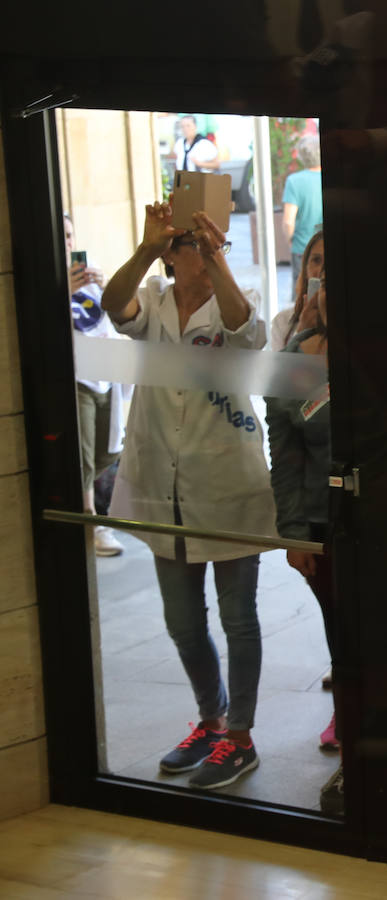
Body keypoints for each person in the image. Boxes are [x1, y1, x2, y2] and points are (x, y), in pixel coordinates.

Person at [103, 198, 276, 791]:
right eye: (182, 243)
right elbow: (111, 305)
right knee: (181, 621)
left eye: (198, 244)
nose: (190, 251)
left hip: (229, 484)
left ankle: (242, 738)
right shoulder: (150, 302)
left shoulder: (234, 295)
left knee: (238, 618)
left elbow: (246, 333)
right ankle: (211, 718)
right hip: (161, 482)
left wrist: (218, 258)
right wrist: (147, 247)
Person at [265, 266, 343, 808]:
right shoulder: (297, 358)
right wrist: (295, 534)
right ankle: (355, 757)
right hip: (323, 521)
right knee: (347, 640)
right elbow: (286, 454)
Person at [64, 213, 125, 558]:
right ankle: (92, 524)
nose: (68, 242)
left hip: (106, 372)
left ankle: (78, 500)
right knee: (85, 456)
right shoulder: (48, 279)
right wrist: (64, 290)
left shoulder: (89, 274)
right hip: (76, 376)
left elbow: (118, 314)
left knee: (110, 449)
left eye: (71, 235)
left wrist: (105, 286)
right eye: (62, 235)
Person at [270, 230, 326, 351]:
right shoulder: (283, 322)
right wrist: (301, 332)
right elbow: (281, 369)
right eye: (316, 260)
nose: (322, 270)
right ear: (305, 269)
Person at [282, 135, 324, 290]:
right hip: (325, 247)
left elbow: (288, 221)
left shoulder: (294, 181)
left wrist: (289, 240)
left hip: (302, 249)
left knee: (301, 294)